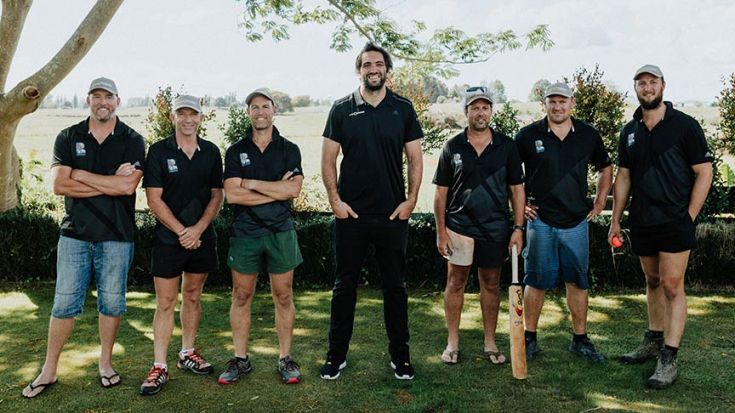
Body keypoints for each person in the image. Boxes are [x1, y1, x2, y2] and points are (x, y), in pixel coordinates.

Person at [22, 77, 145, 398]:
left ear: (118, 100)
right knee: (63, 303)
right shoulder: (68, 136)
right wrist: (107, 182)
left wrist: (80, 174)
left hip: (117, 236)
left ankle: (105, 364)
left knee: (112, 302)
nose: (102, 102)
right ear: (88, 100)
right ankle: (49, 370)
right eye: (96, 96)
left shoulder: (132, 140)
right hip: (74, 235)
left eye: (108, 96)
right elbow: (60, 185)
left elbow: (127, 187)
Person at [319, 42, 424, 381]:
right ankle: (336, 357)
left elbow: (416, 159)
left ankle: (401, 358)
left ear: (386, 69)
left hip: (393, 216)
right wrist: (335, 200)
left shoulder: (403, 109)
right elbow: (327, 160)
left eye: (378, 64)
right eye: (366, 64)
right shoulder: (341, 109)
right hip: (351, 216)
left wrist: (410, 201)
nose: (373, 69)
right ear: (359, 70)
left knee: (395, 288)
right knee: (343, 287)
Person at [609, 65, 713, 389]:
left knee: (671, 286)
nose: (647, 87)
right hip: (642, 220)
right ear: (636, 88)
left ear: (663, 86)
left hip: (675, 220)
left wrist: (690, 215)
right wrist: (615, 218)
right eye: (642, 83)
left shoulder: (685, 126)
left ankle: (669, 358)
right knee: (652, 280)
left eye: (653, 82)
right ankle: (653, 339)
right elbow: (623, 176)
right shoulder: (629, 131)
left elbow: (705, 171)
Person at [515, 82, 613, 363]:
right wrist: (521, 207)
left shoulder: (587, 135)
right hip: (541, 221)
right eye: (552, 101)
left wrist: (599, 201)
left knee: (578, 283)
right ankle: (529, 338)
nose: (557, 107)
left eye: (563, 101)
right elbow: (511, 174)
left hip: (575, 222)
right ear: (543, 104)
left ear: (572, 103)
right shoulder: (527, 135)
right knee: (535, 281)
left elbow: (606, 167)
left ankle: (580, 340)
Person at [433, 86, 525, 365]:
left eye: (485, 107)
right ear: (467, 112)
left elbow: (517, 190)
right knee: (455, 282)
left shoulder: (507, 146)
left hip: (495, 229)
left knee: (491, 284)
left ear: (491, 112)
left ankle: (490, 342)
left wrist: (518, 228)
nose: (481, 112)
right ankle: (452, 343)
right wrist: (441, 232)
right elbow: (440, 193)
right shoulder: (453, 146)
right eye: (475, 107)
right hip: (458, 228)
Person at [138, 95, 224, 395]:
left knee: (192, 296)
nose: (188, 119)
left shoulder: (212, 152)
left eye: (193, 114)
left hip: (201, 237)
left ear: (201, 118)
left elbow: (217, 195)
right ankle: (159, 366)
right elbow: (153, 198)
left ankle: (187, 353)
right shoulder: (159, 151)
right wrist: (181, 231)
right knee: (165, 302)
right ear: (173, 117)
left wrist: (197, 229)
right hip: (167, 239)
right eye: (182, 114)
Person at [218, 88, 304, 385]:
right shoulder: (234, 150)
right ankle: (240, 359)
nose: (260, 112)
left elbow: (292, 190)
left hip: (281, 232)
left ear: (274, 110)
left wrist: (251, 183)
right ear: (248, 113)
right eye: (254, 107)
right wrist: (273, 190)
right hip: (245, 234)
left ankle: (285, 358)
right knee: (241, 296)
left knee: (284, 296)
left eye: (264, 106)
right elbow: (231, 194)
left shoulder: (289, 149)